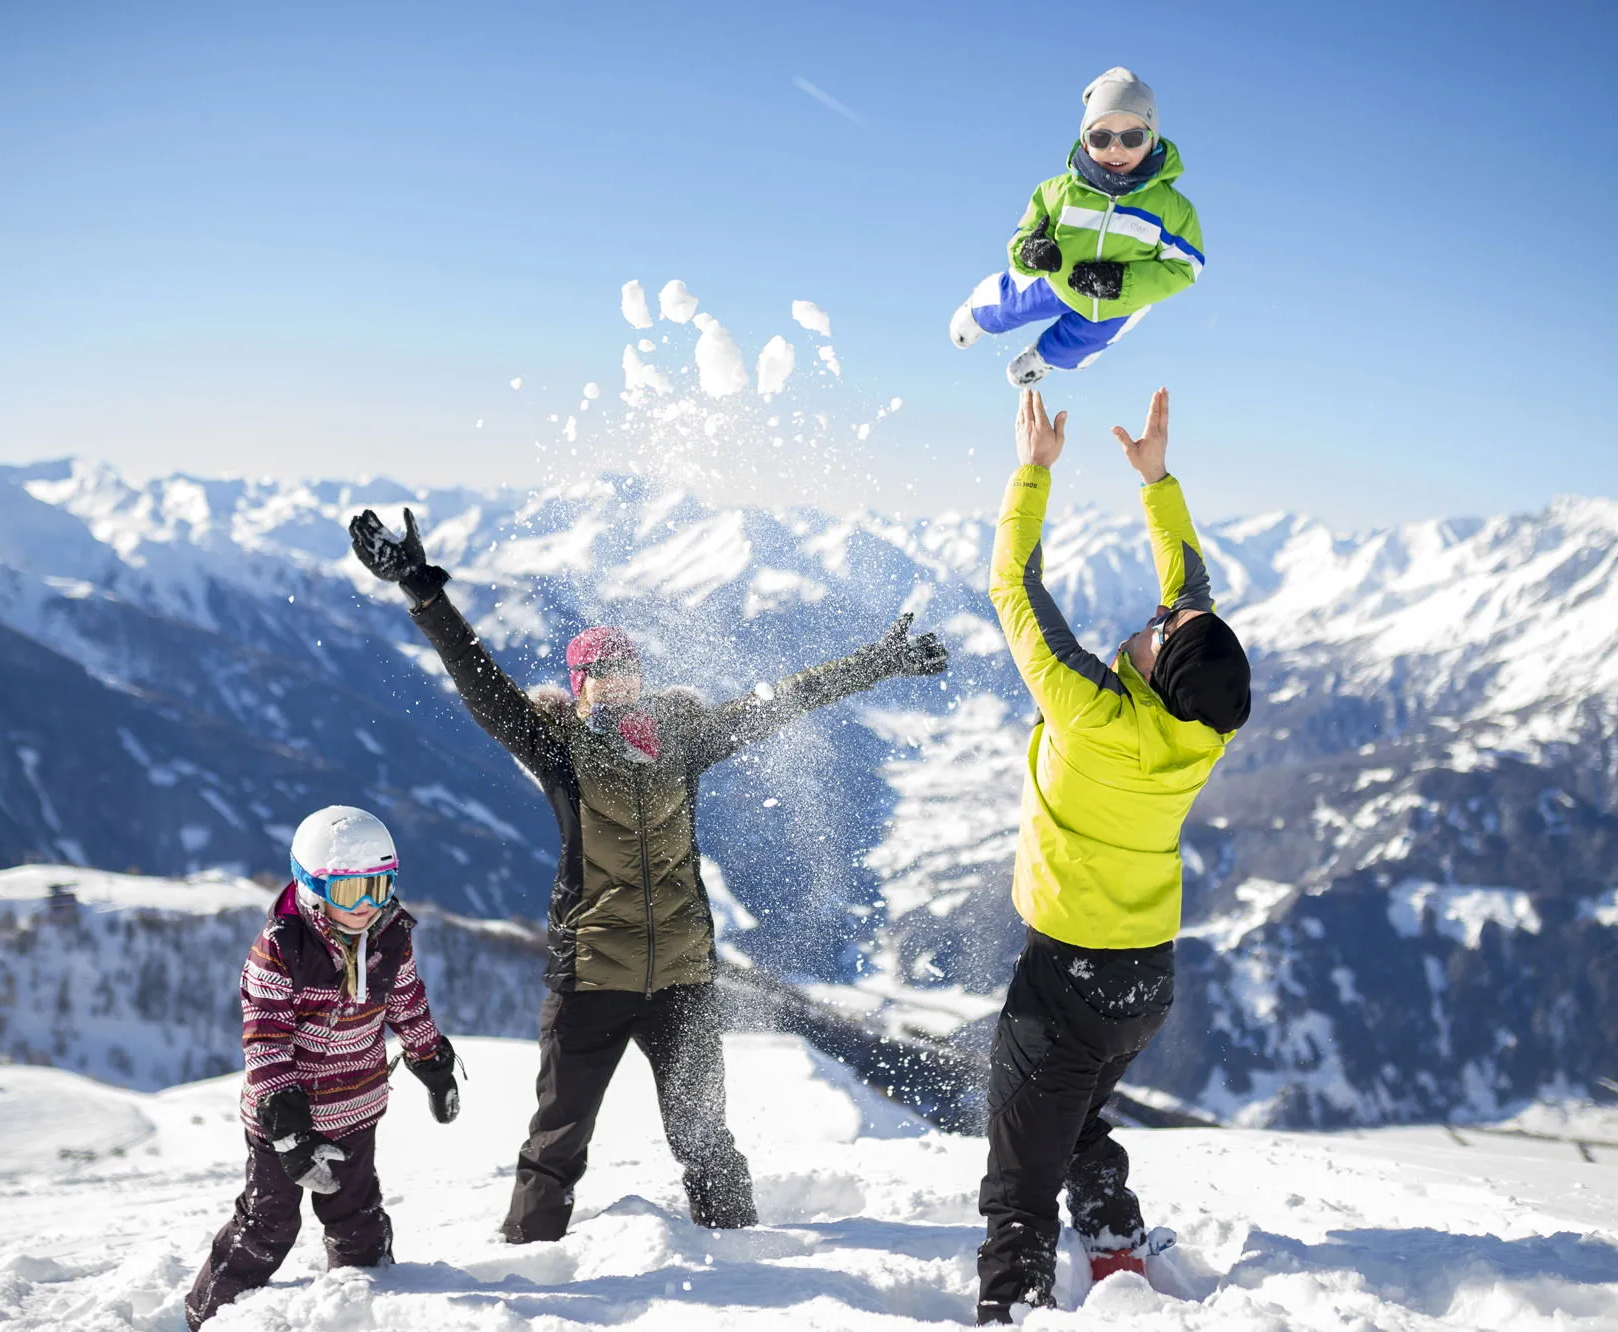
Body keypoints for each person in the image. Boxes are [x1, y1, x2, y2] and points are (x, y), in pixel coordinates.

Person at [347, 505, 948, 1243]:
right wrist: (422, 592)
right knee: (556, 1143)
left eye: (625, 665)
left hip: (682, 979)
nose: (616, 680)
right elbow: (481, 684)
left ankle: (742, 1259)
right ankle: (531, 1268)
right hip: (593, 976)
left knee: (705, 1139)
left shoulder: (680, 736)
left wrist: (876, 663)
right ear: (579, 684)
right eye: (599, 671)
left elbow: (780, 700)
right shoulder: (556, 745)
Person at [974, 387, 1250, 1324]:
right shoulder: (1199, 732)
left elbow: (1012, 586)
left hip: (1068, 978)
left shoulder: (1088, 706)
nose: (1156, 614)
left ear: (1156, 668)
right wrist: (1156, 483)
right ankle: (1116, 1253)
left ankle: (1005, 1306)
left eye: (1158, 630)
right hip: (1144, 985)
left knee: (1018, 1167)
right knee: (1073, 1117)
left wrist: (1033, 471)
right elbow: (1194, 599)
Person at [185, 806, 460, 1329]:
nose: (367, 906)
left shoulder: (390, 935)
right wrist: (287, 1126)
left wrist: (431, 1057)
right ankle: (209, 1315)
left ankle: (365, 1306)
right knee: (268, 1221)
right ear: (312, 886)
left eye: (380, 887)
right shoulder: (282, 948)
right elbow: (264, 1037)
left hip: (356, 1106)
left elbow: (406, 1002)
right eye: (350, 892)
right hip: (284, 1119)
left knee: (356, 1216)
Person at [949, 67, 1205, 387]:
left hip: (1121, 301)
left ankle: (1043, 359)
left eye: (1132, 138)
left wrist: (1122, 283)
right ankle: (978, 312)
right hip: (1058, 280)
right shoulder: (1058, 193)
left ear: (1152, 140)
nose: (1116, 149)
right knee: (1014, 301)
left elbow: (1185, 266)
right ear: (1085, 142)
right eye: (1101, 137)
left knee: (1080, 344)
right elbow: (1024, 235)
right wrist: (1030, 253)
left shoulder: (1172, 210)